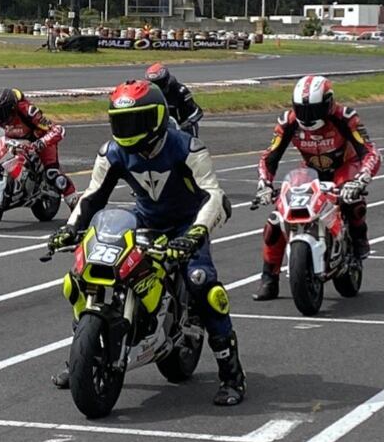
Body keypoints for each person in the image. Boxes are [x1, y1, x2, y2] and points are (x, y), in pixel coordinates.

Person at [47, 81, 245, 406]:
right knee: (80, 278)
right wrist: (70, 229)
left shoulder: (187, 147)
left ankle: (232, 375)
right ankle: (82, 356)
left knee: (204, 285)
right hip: (145, 219)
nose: (127, 130)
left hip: (187, 222)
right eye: (120, 121)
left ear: (155, 118)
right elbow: (92, 197)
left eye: (135, 121)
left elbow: (213, 194)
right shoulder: (112, 152)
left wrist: (195, 234)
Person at [253, 75, 382, 300]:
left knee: (352, 201)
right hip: (309, 169)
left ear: (328, 103)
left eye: (314, 110)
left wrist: (360, 179)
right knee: (276, 219)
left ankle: (359, 238)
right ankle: (269, 279)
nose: (308, 117)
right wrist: (264, 183)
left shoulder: (345, 117)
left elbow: (370, 151)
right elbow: (269, 157)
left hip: (345, 167)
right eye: (302, 110)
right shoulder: (287, 122)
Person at [0, 88, 76, 203]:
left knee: (52, 174)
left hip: (37, 142)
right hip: (11, 145)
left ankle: (74, 202)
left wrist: (41, 142)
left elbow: (58, 130)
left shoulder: (28, 111)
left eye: (2, 111)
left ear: (12, 107)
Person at [145, 62, 205, 136]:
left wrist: (185, 125)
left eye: (159, 83)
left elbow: (197, 112)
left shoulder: (180, 91)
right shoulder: (149, 93)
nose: (157, 86)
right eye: (153, 83)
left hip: (182, 127)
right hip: (162, 129)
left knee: (189, 137)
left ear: (166, 80)